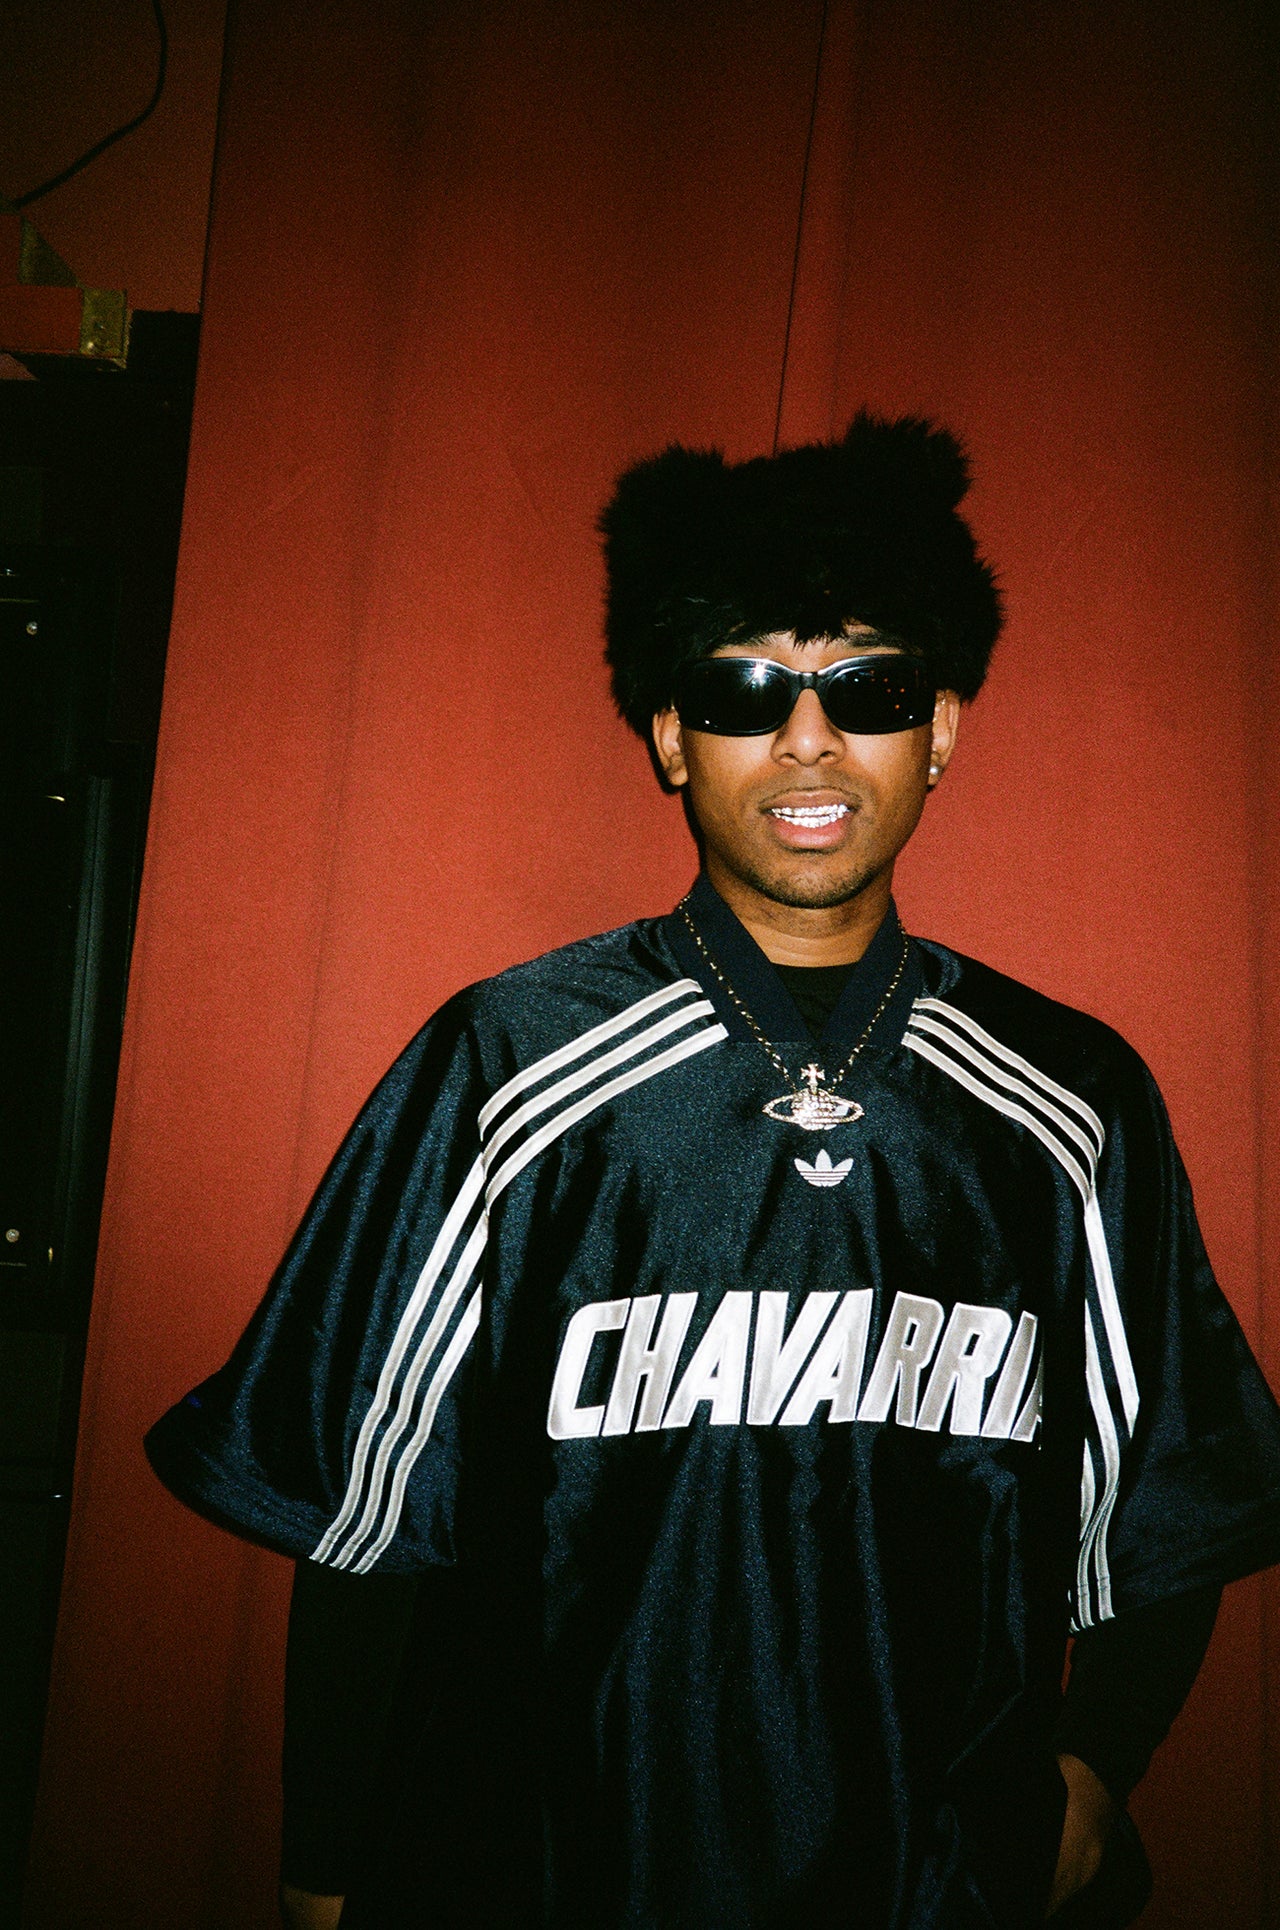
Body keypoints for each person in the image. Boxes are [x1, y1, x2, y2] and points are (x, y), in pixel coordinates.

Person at [147, 414, 1280, 1930]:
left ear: (942, 729)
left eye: (867, 688)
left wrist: (1095, 1774)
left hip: (933, 1879)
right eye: (746, 689)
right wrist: (330, 1864)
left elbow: (1171, 1495)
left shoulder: (1069, 1102)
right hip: (548, 1872)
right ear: (673, 735)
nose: (807, 740)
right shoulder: (509, 1069)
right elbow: (371, 1512)